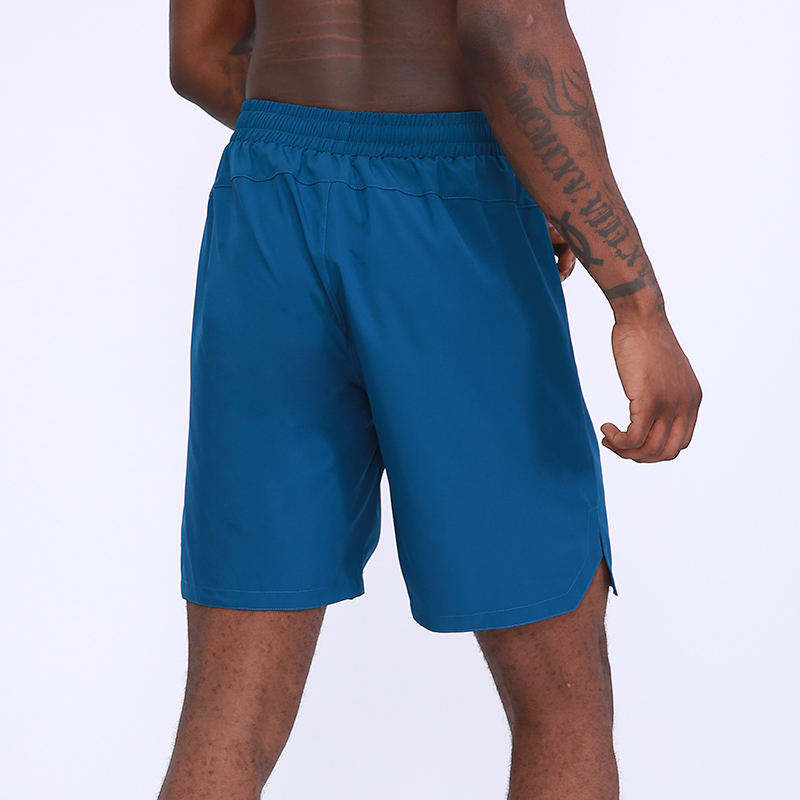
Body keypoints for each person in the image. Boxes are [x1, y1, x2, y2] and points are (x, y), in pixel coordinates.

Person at [163, 1, 701, 797]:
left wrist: (328, 150)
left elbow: (198, 54)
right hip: (453, 208)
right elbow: (508, 26)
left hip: (269, 199)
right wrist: (637, 303)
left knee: (226, 722)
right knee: (562, 709)